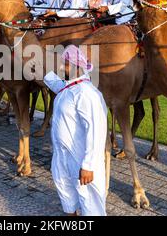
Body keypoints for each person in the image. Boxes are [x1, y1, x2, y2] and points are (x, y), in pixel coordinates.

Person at [44, 45, 108, 216]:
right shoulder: (69, 88)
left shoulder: (87, 93)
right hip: (63, 156)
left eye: (64, 64)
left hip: (81, 160)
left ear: (75, 66)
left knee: (90, 204)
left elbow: (97, 130)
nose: (60, 67)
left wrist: (88, 165)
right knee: (67, 198)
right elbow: (57, 85)